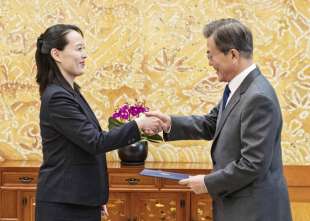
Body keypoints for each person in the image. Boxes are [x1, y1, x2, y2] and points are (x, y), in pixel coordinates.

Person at [146, 18, 292, 221]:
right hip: (238, 206)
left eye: (210, 55)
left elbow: (253, 164)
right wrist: (169, 122)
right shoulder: (239, 88)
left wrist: (207, 182)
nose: (209, 62)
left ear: (233, 54)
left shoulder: (258, 97)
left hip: (254, 211)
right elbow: (212, 123)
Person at [34, 24, 163, 221]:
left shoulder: (71, 92)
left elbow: (82, 149)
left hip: (79, 201)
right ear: (57, 54)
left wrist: (95, 197)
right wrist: (138, 124)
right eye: (78, 49)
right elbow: (95, 142)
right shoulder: (58, 98)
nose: (85, 55)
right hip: (64, 206)